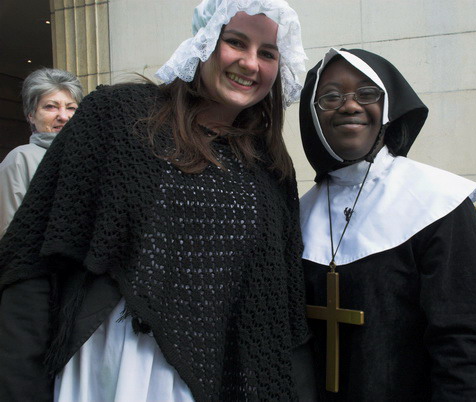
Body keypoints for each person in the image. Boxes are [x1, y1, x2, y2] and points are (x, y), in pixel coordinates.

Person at [0, 1, 316, 400]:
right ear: (202, 41)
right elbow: (34, 254)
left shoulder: (270, 168)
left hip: (220, 379)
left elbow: (280, 310)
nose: (251, 64)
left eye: (268, 53)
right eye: (235, 42)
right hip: (115, 372)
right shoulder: (117, 116)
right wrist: (19, 386)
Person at [299, 48, 476, 401]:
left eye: (367, 93)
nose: (349, 105)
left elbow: (463, 345)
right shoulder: (300, 213)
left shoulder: (438, 203)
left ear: (387, 107)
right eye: (330, 96)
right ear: (313, 116)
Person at [0, 68, 82, 239]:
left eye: (71, 107)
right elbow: (9, 233)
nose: (63, 116)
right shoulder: (21, 159)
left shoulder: (87, 158)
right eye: (51, 106)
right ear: (31, 115)